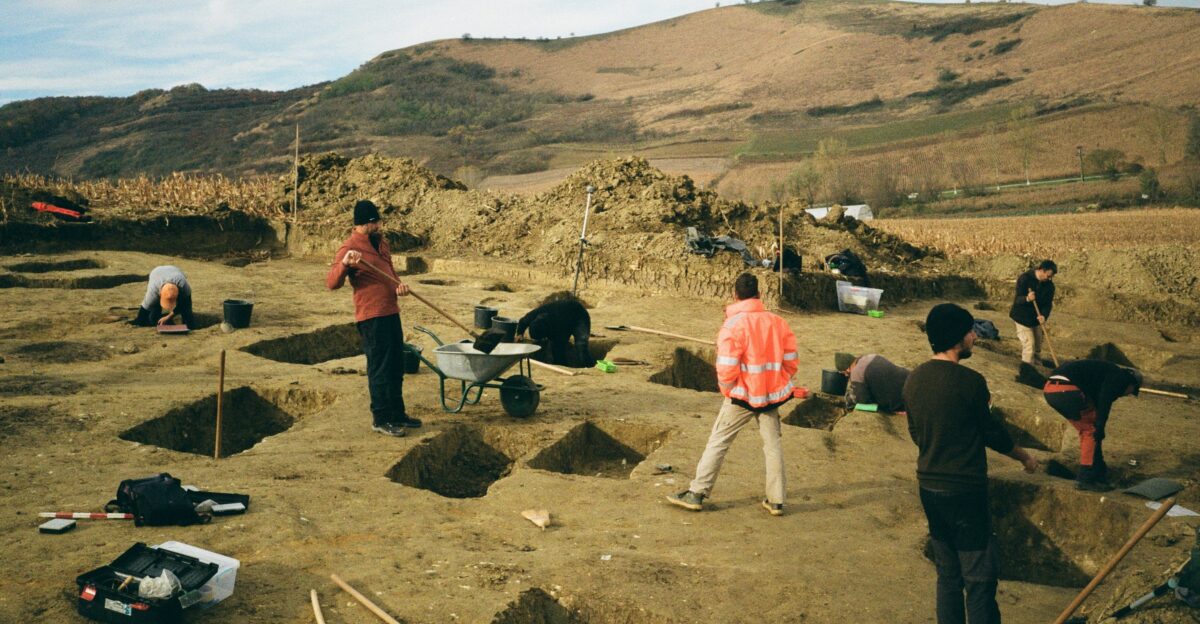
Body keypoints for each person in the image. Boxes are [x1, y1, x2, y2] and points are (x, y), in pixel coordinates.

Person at [904, 303, 1039, 624]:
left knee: (948, 576)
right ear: (956, 338)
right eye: (970, 331)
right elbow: (991, 432)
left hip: (929, 488)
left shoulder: (914, 379)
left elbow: (915, 433)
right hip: (965, 492)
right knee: (979, 579)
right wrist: (1024, 457)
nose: (975, 337)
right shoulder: (971, 382)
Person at [667, 273, 798, 516]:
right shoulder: (778, 322)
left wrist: (729, 391)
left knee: (719, 441)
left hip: (742, 396)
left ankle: (697, 492)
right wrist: (779, 382)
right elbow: (791, 360)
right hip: (771, 396)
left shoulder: (733, 325)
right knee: (773, 445)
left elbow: (726, 368)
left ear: (735, 295)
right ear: (759, 294)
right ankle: (776, 500)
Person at [326, 199, 420, 437]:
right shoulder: (349, 249)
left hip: (391, 311)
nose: (379, 225)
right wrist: (345, 264)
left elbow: (390, 273)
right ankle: (381, 418)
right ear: (365, 224)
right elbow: (332, 283)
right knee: (379, 369)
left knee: (396, 366)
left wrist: (400, 287)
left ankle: (398, 414)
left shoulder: (381, 243)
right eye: (375, 222)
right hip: (371, 316)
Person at [1042, 359, 1142, 492]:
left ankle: (1098, 471)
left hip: (1050, 389)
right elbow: (1105, 400)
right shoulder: (1119, 378)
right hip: (1067, 389)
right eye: (1131, 391)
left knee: (1089, 428)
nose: (1127, 394)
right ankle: (1086, 478)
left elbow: (1097, 404)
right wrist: (1100, 426)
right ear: (1131, 383)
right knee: (1091, 431)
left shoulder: (1102, 374)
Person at [516, 298, 595, 368]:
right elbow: (523, 321)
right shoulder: (535, 314)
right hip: (563, 316)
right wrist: (519, 333)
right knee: (557, 350)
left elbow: (561, 341)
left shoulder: (559, 326)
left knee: (581, 346)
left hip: (579, 316)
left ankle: (590, 367)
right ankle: (562, 368)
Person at [1009, 259, 1057, 366]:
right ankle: (1027, 370)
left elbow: (1047, 304)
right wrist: (1027, 298)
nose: (1050, 279)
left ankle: (1038, 366)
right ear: (1042, 270)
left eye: (1051, 277)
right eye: (1048, 276)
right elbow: (1017, 300)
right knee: (1029, 345)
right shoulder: (1025, 279)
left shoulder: (1049, 286)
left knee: (1037, 346)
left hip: (1036, 318)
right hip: (1022, 317)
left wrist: (1044, 316)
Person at [842, 353, 910, 413]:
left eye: (844, 372)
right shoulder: (871, 356)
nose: (845, 375)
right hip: (909, 378)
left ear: (847, 369)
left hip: (901, 401)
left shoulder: (856, 372)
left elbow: (862, 400)